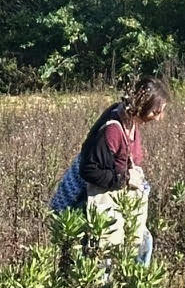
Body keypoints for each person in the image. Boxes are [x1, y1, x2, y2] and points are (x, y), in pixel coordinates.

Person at [51, 77, 169, 265]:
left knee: (143, 245)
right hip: (86, 205)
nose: (158, 118)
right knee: (103, 263)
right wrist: (125, 179)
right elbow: (89, 170)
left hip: (113, 205)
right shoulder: (113, 129)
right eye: (155, 112)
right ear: (141, 106)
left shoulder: (129, 121)